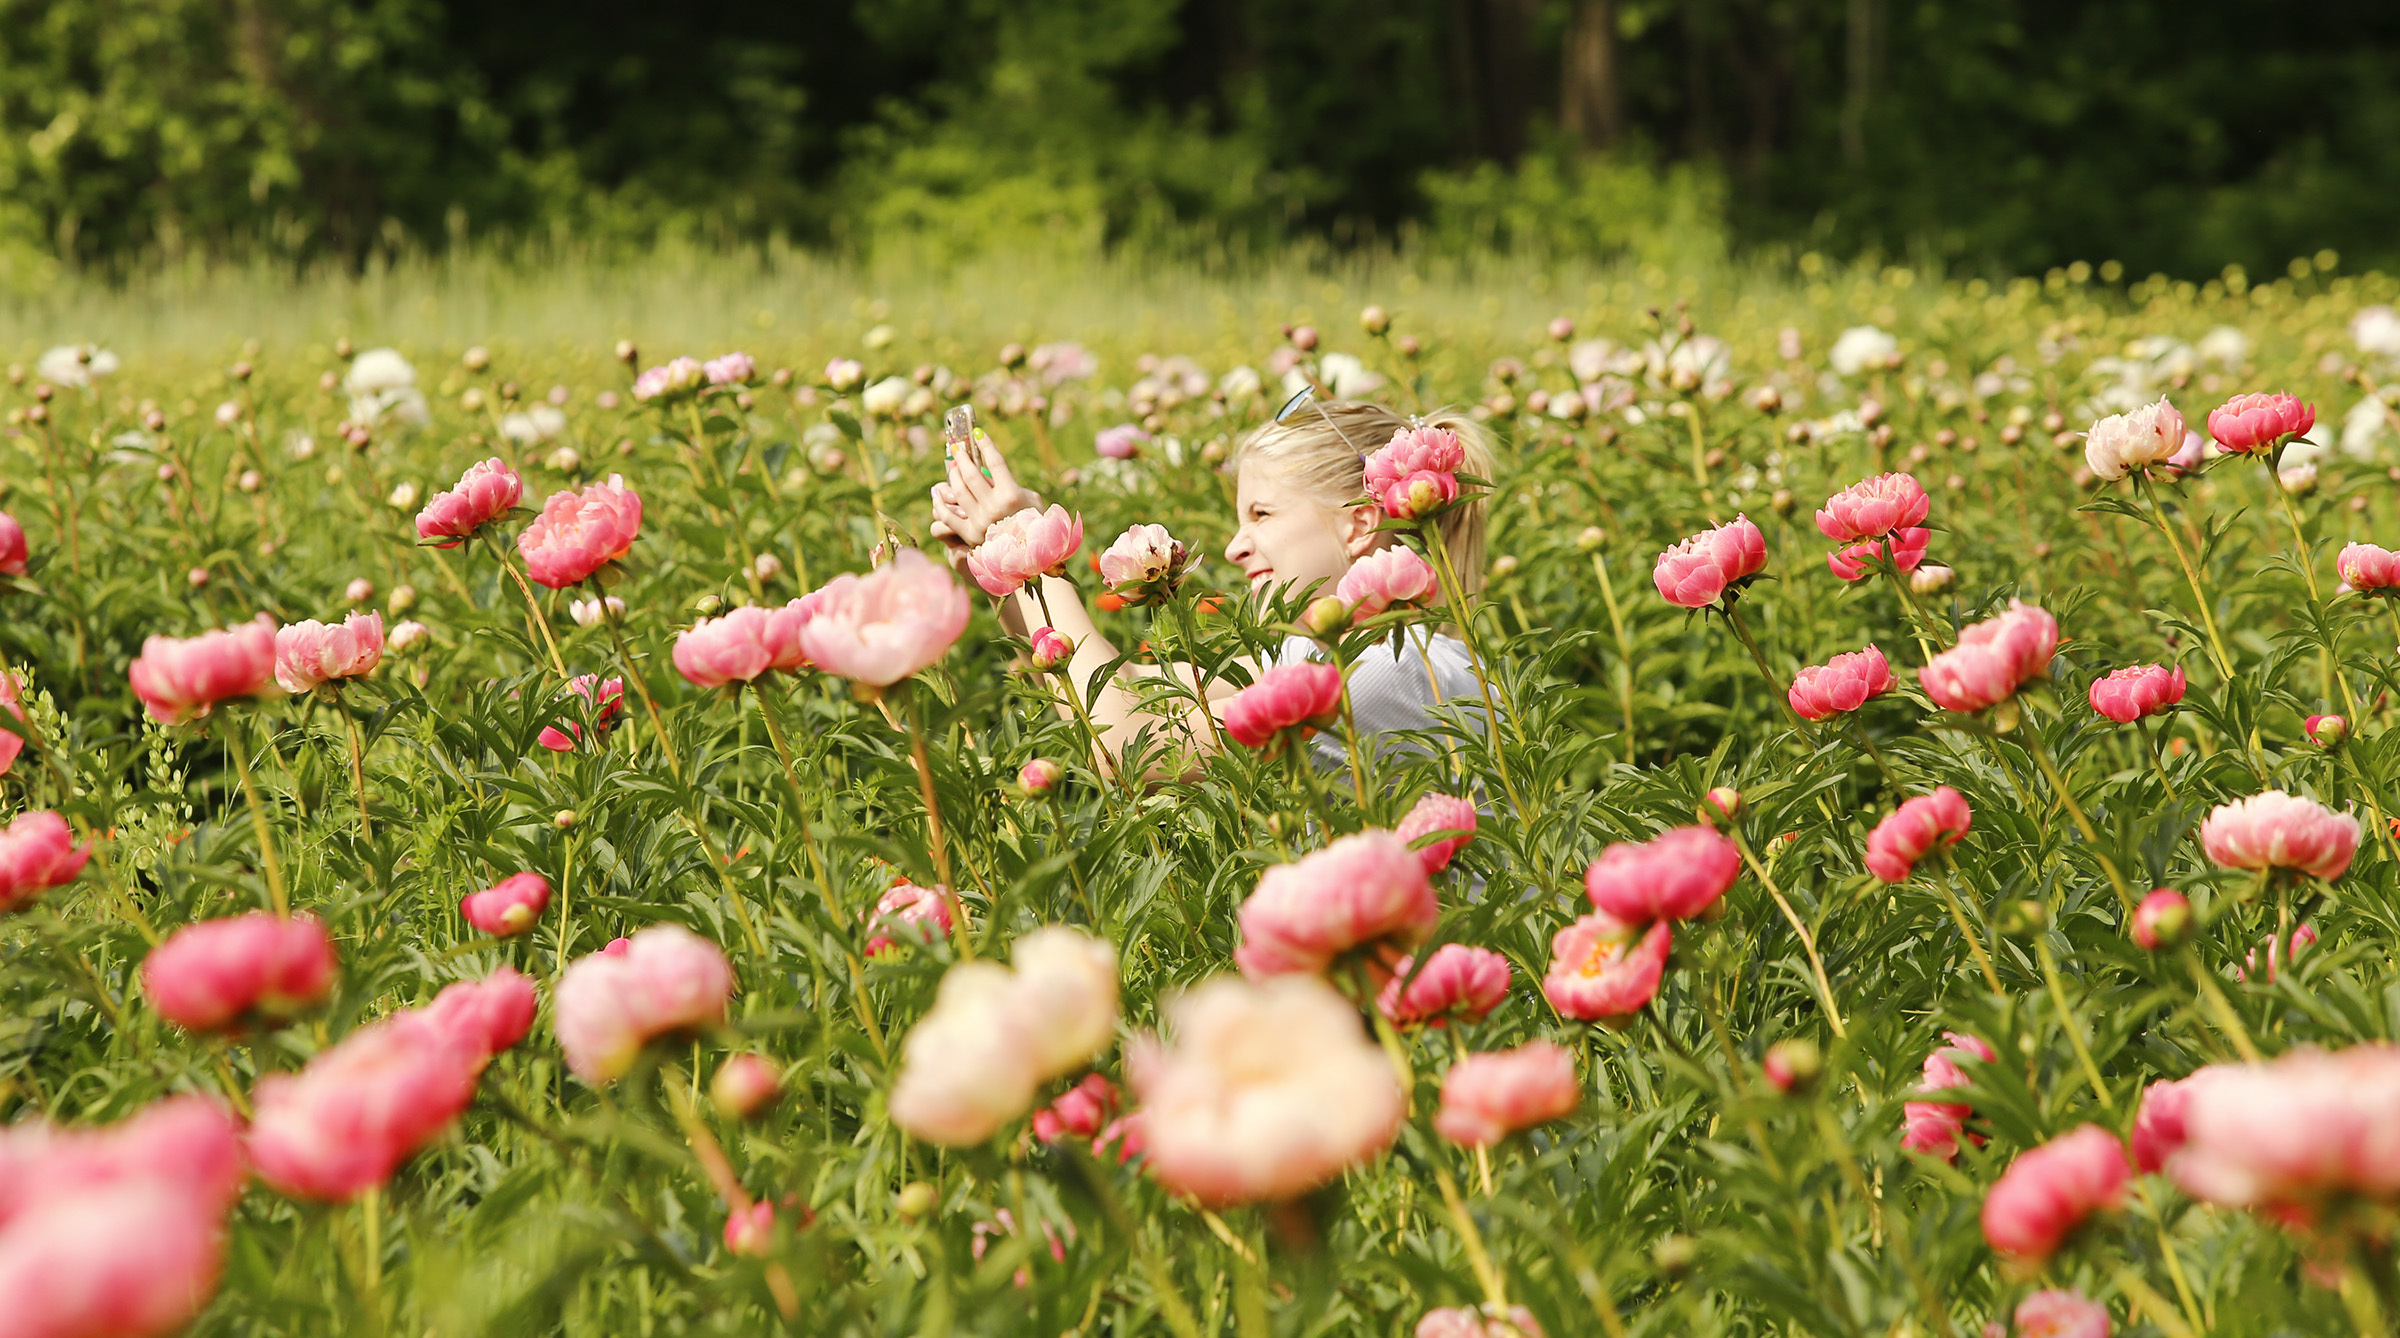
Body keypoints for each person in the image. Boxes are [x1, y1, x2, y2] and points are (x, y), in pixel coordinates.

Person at [929, 398, 1496, 774]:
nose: (1234, 545)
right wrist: (1005, 571)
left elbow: (1127, 745)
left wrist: (1035, 547)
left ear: (1359, 521)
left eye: (1262, 514)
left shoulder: (1381, 671)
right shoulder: (1327, 657)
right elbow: (1111, 687)